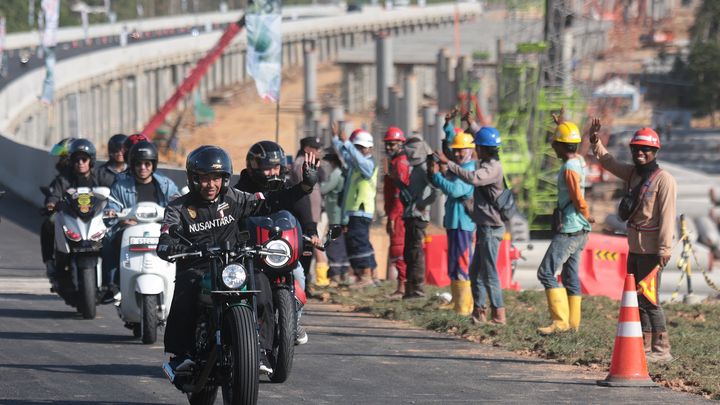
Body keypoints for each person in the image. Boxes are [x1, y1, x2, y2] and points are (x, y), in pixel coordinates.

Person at [157, 145, 318, 374]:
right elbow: (166, 234)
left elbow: (270, 201)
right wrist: (168, 244)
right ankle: (181, 354)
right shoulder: (179, 207)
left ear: (224, 179)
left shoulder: (234, 198)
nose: (210, 185)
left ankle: (261, 351)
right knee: (185, 288)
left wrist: (303, 187)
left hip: (234, 265)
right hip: (198, 266)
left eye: (216, 178)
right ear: (193, 179)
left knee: (262, 285)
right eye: (204, 178)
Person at [589, 120, 676, 362]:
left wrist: (664, 249)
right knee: (636, 297)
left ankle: (661, 349)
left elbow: (668, 216)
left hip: (652, 250)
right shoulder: (632, 175)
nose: (639, 153)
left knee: (650, 298)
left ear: (654, 152)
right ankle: (645, 348)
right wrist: (595, 141)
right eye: (636, 149)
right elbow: (608, 162)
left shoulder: (663, 180)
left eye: (645, 150)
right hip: (634, 247)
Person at [234, 140, 321, 346]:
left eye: (276, 167)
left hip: (280, 251)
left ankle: (293, 322)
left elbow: (300, 204)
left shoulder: (286, 188)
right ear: (254, 167)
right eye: (267, 168)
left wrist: (311, 230)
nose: (272, 172)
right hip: (251, 253)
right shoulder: (239, 191)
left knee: (299, 274)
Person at [434, 126, 507, 325]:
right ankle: (479, 312)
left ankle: (499, 315)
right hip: (484, 226)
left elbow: (474, 179)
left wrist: (448, 164)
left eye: (478, 147)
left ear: (483, 149)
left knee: (489, 273)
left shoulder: (491, 168)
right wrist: (469, 124)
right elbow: (478, 135)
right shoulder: (484, 163)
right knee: (475, 272)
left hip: (492, 228)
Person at [100, 141, 180, 303]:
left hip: (160, 232)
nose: (143, 167)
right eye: (138, 164)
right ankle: (112, 285)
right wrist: (117, 216)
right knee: (108, 241)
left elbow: (177, 202)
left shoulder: (165, 185)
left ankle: (181, 285)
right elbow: (112, 205)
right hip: (130, 232)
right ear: (132, 165)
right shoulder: (120, 185)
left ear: (153, 165)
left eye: (147, 163)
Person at [536, 119, 593, 334]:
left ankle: (560, 322)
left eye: (554, 143)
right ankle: (573, 326)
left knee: (546, 272)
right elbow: (571, 141)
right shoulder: (578, 161)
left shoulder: (569, 168)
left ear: (560, 146)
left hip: (570, 228)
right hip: (580, 230)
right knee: (570, 277)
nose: (552, 147)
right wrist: (562, 125)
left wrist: (586, 214)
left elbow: (577, 198)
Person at [430, 128, 476, 314]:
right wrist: (448, 127)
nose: (457, 154)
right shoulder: (460, 168)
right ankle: (457, 301)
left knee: (462, 262)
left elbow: (455, 190)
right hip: (454, 222)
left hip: (463, 224)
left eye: (461, 150)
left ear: (471, 150)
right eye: (455, 150)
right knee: (454, 263)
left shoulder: (469, 170)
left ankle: (464, 306)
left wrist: (437, 176)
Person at [42, 139, 100, 284]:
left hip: (93, 218)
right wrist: (51, 203)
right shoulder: (63, 179)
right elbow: (54, 195)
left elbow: (111, 192)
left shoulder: (99, 177)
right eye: (77, 159)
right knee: (49, 223)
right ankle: (51, 261)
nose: (80, 162)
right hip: (69, 217)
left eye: (84, 159)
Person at [331, 124, 378, 289]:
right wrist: (337, 139)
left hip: (362, 209)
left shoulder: (368, 164)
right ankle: (368, 275)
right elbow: (345, 154)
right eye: (357, 147)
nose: (357, 151)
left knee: (360, 243)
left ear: (368, 148)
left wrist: (348, 144)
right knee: (357, 242)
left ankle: (366, 276)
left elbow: (354, 156)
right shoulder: (357, 162)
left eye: (360, 148)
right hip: (355, 210)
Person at [395, 134, 435, 299]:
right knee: (409, 252)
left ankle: (418, 289)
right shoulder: (416, 168)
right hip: (410, 214)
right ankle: (411, 288)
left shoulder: (425, 168)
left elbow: (436, 190)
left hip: (419, 216)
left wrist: (423, 204)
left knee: (415, 252)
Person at [289, 136, 324, 293]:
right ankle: (301, 283)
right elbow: (302, 190)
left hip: (312, 216)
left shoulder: (310, 164)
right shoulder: (300, 164)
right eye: (315, 149)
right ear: (307, 149)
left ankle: (306, 282)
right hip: (304, 215)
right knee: (304, 249)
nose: (319, 151)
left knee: (310, 248)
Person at [383, 126, 409, 297]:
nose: (389, 148)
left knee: (398, 249)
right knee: (397, 249)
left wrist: (392, 217)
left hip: (398, 213)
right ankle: (402, 286)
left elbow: (399, 194)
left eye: (392, 144)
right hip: (394, 211)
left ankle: (402, 288)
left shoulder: (400, 163)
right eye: (387, 144)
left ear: (401, 144)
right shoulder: (394, 162)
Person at [320, 149, 350, 286]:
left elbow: (324, 189)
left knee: (334, 245)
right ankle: (342, 272)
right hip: (337, 216)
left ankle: (336, 273)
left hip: (335, 216)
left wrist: (317, 184)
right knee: (340, 244)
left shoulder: (336, 174)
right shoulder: (340, 173)